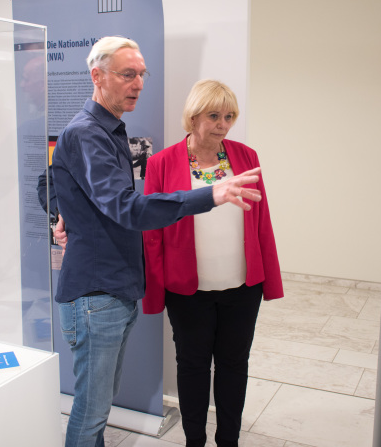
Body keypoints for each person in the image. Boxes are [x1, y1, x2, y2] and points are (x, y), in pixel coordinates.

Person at [50, 37, 265, 447]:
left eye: (141, 75)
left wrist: (63, 209)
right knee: (92, 411)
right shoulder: (88, 132)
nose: (139, 83)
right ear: (98, 76)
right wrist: (213, 193)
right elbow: (127, 207)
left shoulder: (109, 130)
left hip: (117, 287)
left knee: (99, 405)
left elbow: (58, 179)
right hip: (97, 291)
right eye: (128, 74)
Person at [142, 79, 284, 447]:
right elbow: (152, 231)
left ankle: (229, 441)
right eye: (214, 115)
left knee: (234, 365)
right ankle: (194, 441)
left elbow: (261, 220)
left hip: (242, 286)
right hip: (187, 289)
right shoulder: (161, 163)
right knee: (192, 366)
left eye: (230, 116)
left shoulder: (246, 156)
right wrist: (154, 290)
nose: (223, 123)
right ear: (193, 116)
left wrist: (270, 279)